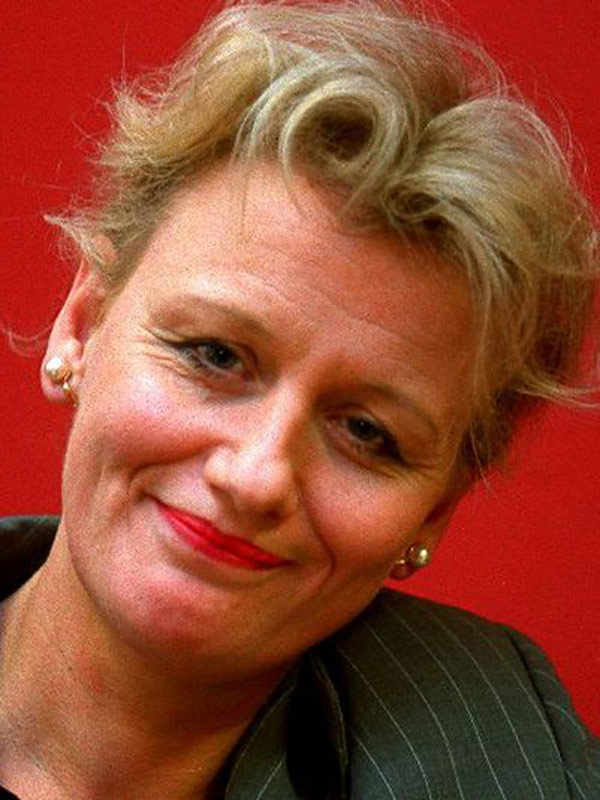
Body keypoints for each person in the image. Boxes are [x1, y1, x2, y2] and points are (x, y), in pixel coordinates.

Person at [1, 1, 599, 797]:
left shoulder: (506, 753)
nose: (257, 477)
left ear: (433, 512)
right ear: (81, 326)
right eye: (215, 355)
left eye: (367, 432)